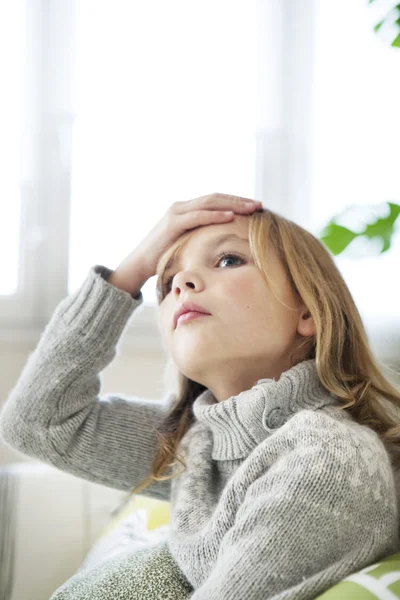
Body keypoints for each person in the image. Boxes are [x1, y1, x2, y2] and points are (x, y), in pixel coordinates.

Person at [1, 192, 400, 600]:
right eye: (166, 281)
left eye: (229, 260)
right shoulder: (196, 442)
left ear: (307, 312)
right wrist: (131, 270)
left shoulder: (328, 456)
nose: (180, 283)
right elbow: (37, 422)